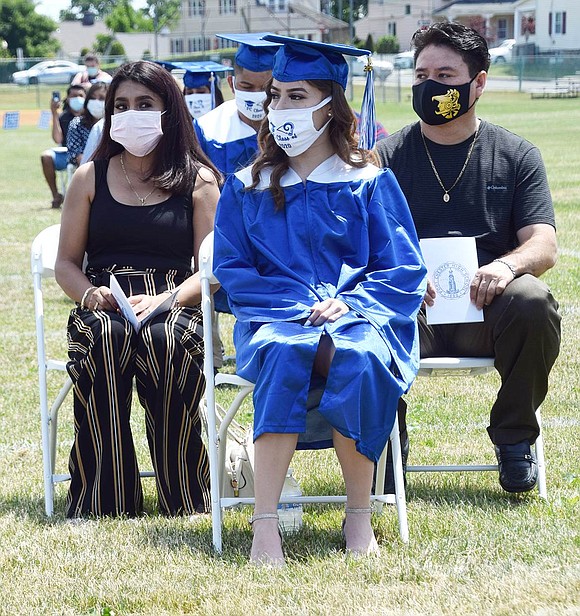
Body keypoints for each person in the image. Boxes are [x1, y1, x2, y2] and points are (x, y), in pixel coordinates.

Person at [213, 34, 427, 566]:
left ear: (331, 105)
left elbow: (401, 267)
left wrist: (352, 305)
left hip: (360, 319)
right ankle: (265, 523)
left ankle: (359, 515)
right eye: (276, 96)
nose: (279, 109)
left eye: (296, 96)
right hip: (275, 320)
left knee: (357, 355)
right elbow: (232, 269)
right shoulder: (246, 186)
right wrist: (297, 303)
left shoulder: (368, 182)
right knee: (288, 348)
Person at [375, 22, 561, 494]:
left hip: (489, 310)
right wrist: (402, 276)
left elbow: (543, 243)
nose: (430, 86)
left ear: (478, 82)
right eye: (420, 75)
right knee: (367, 314)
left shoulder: (516, 155)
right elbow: (363, 242)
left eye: (445, 73)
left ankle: (515, 437)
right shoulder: (385, 156)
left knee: (533, 300)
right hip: (411, 311)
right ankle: (387, 448)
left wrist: (505, 266)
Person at [54, 60, 221, 518]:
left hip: (177, 298)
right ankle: (104, 499)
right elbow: (66, 265)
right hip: (104, 299)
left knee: (165, 343)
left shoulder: (200, 181)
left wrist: (167, 299)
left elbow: (212, 268)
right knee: (106, 340)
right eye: (121, 105)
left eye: (145, 104)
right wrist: (90, 294)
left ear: (169, 110)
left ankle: (185, 498)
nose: (132, 113)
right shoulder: (89, 177)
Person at [193, 33, 281, 177]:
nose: (256, 94)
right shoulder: (206, 130)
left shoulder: (291, 125)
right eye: (247, 87)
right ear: (231, 84)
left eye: (266, 88)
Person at [40, 84, 86, 208]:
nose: (77, 99)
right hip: (66, 153)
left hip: (86, 153)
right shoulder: (64, 117)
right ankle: (56, 195)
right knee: (46, 157)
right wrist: (54, 114)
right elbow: (57, 139)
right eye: (74, 96)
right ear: (67, 98)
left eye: (80, 96)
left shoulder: (91, 117)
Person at [66, 82, 108, 167]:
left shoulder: (114, 124)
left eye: (101, 98)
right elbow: (77, 155)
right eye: (92, 98)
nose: (96, 102)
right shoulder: (77, 124)